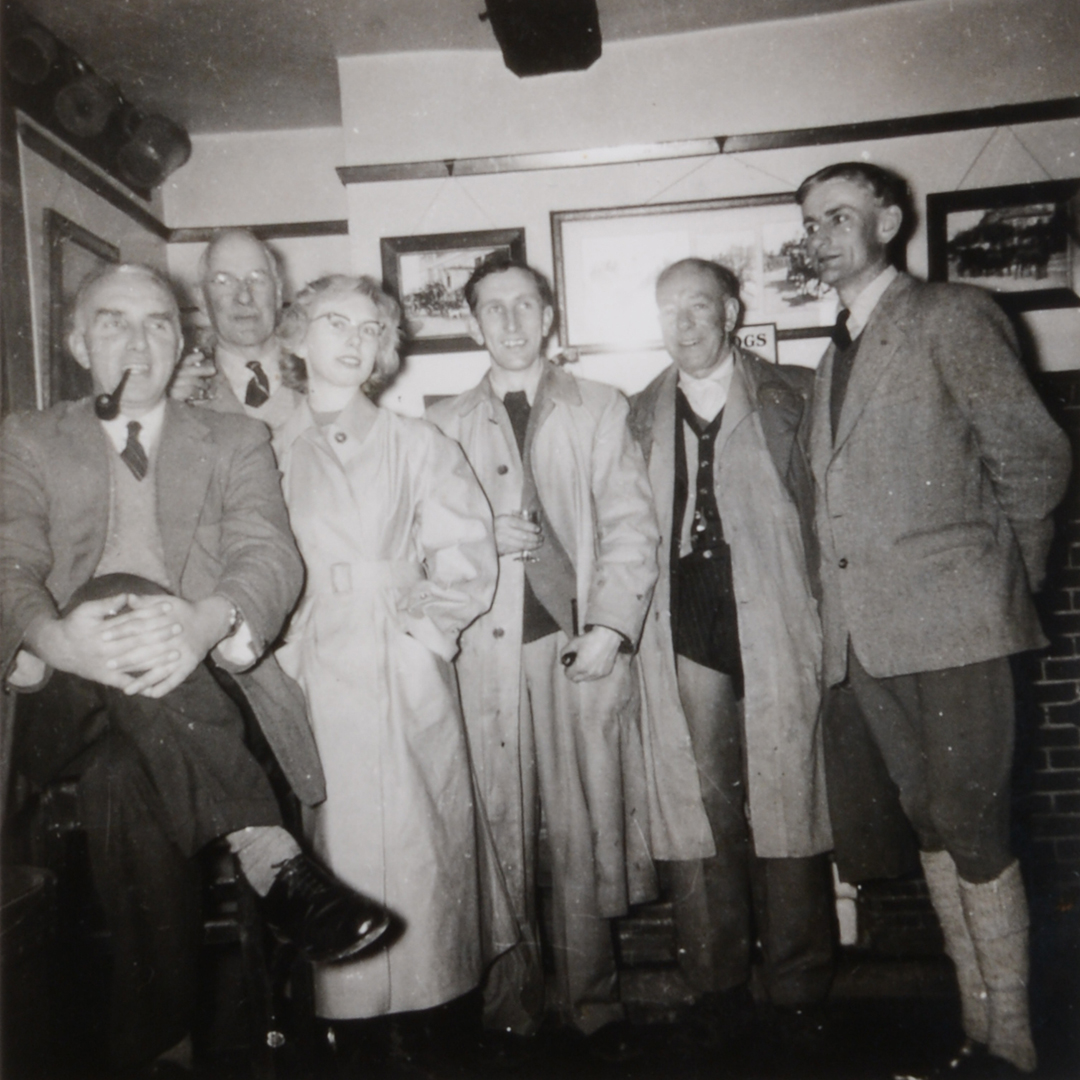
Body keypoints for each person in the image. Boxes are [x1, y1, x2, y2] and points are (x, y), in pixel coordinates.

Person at [0, 264, 390, 1072]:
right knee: (116, 590)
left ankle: (164, 1047)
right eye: (114, 322)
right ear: (76, 342)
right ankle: (269, 853)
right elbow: (7, 563)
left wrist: (204, 619)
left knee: (121, 784)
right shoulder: (27, 438)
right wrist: (54, 637)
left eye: (157, 324)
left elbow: (267, 554)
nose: (138, 341)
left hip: (198, 687)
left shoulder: (234, 438)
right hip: (62, 693)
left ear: (181, 343)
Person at [797, 162, 1071, 1075]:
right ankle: (979, 1031)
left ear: (890, 217)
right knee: (931, 826)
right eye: (810, 223)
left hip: (955, 626)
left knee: (977, 825)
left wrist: (1000, 592)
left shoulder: (949, 315)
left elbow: (1035, 460)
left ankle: (1020, 1044)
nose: (822, 235)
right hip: (869, 640)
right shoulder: (834, 350)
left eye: (840, 215)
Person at [427, 254, 712, 1042]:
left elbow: (632, 526)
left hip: (571, 648)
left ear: (549, 316)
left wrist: (612, 629)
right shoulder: (439, 422)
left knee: (583, 834)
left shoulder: (599, 406)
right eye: (494, 308)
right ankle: (507, 1008)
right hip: (477, 661)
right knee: (493, 832)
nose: (512, 322)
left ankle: (593, 1007)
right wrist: (483, 533)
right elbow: (419, 543)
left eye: (526, 306)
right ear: (473, 322)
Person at [272, 275, 511, 1028]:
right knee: (335, 849)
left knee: (421, 850)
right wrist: (283, 654)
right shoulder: (267, 448)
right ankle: (349, 1026)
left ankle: (432, 1020)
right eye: (333, 323)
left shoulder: (416, 440)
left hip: (402, 665)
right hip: (313, 668)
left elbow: (468, 553)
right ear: (296, 337)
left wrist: (425, 637)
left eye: (370, 328)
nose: (353, 339)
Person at [627, 258, 835, 1034]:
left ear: (731, 310)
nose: (685, 324)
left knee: (789, 793)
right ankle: (713, 978)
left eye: (699, 306)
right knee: (702, 798)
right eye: (669, 309)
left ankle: (799, 985)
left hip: (776, 615)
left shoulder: (792, 393)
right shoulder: (639, 411)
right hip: (688, 620)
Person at [172, 227, 302, 432]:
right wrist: (165, 414)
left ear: (277, 292)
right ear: (201, 299)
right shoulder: (180, 390)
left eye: (257, 279)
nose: (244, 297)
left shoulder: (316, 372)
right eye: (223, 282)